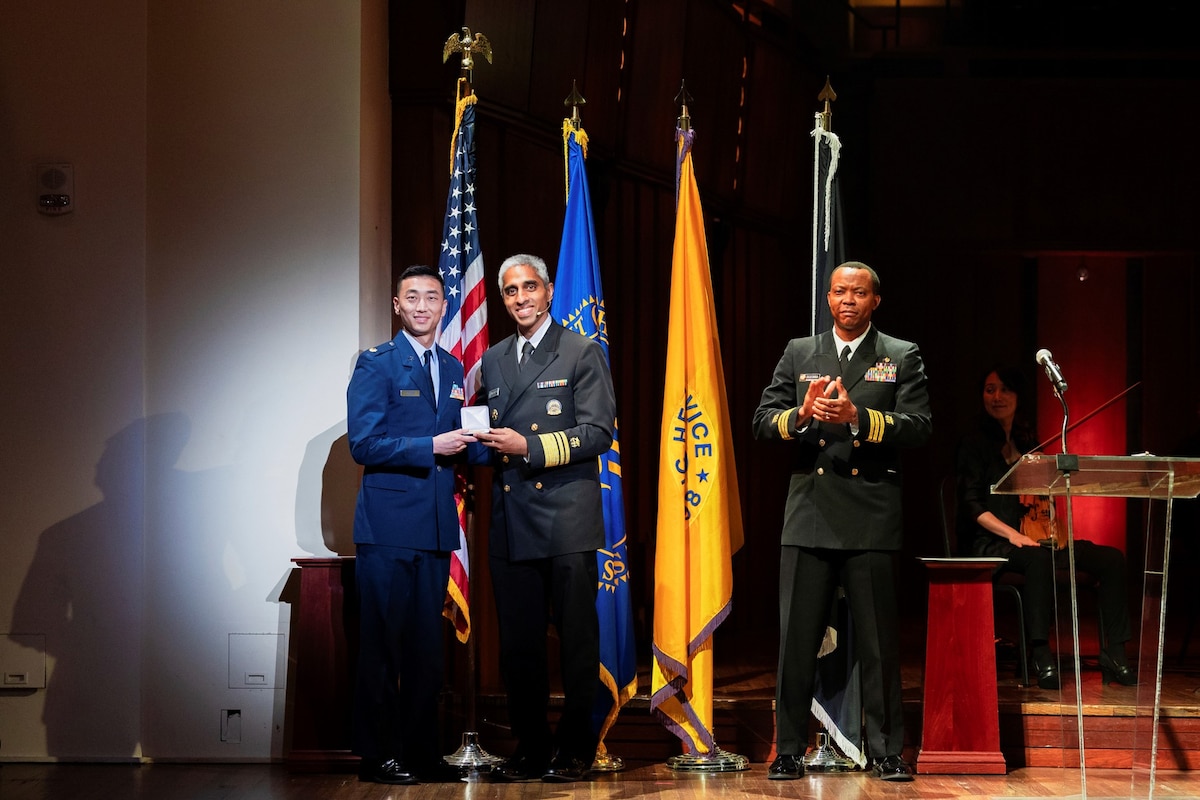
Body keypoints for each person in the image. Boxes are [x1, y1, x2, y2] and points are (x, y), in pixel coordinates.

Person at [752, 261, 931, 782]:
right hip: (810, 512)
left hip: (871, 512)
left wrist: (859, 419)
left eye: (858, 292)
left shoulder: (900, 355)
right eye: (838, 292)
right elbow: (764, 422)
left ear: (876, 300)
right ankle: (788, 748)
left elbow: (919, 427)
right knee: (797, 639)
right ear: (827, 299)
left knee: (878, 641)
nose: (847, 300)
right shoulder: (800, 351)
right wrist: (803, 416)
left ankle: (886, 750)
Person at [475, 253, 616, 783]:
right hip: (512, 521)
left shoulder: (580, 350)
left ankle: (577, 748)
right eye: (511, 291)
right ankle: (531, 746)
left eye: (529, 287)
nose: (521, 299)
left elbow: (599, 433)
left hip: (565, 517)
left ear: (549, 291)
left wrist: (528, 446)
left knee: (577, 642)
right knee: (519, 646)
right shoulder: (492, 359)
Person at [346, 264, 479, 785]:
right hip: (387, 529)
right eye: (412, 297)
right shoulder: (376, 364)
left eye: (432, 297)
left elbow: (457, 440)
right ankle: (377, 757)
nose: (422, 306)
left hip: (436, 529)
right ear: (397, 305)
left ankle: (421, 752)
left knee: (426, 650)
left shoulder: (450, 367)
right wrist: (430, 447)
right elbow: (364, 444)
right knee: (382, 646)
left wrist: (492, 442)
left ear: (445, 306)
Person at [954, 364, 1135, 688]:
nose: (997, 397)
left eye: (1005, 389)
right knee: (1037, 560)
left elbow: (1042, 498)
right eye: (990, 389)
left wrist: (1051, 524)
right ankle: (1040, 653)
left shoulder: (1029, 443)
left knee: (1111, 559)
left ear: (1018, 396)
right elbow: (971, 507)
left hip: (1035, 540)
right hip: (993, 542)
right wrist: (1015, 536)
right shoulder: (974, 444)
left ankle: (1115, 652)